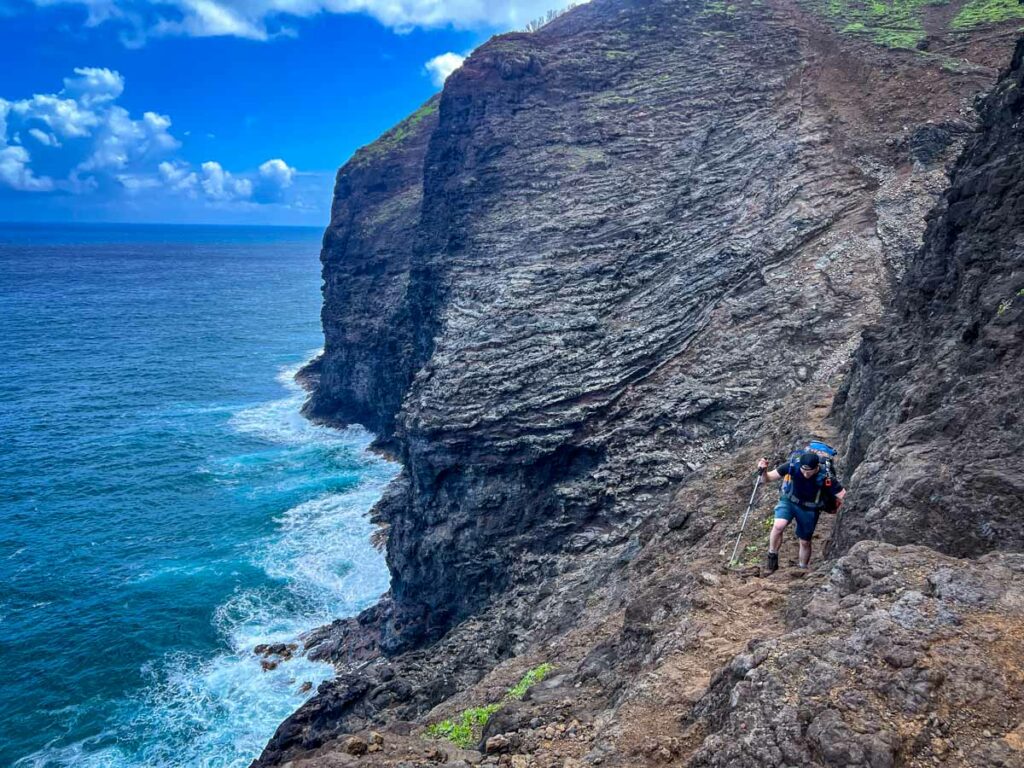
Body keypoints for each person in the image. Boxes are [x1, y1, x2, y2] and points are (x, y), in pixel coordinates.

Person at [756, 451, 846, 572]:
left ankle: (802, 569)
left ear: (816, 468)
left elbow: (843, 495)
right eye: (803, 470)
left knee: (805, 541)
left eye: (809, 471)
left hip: (810, 509)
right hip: (789, 501)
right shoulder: (792, 466)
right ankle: (772, 557)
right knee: (778, 526)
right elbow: (767, 479)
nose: (805, 474)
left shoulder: (826, 476)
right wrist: (763, 471)